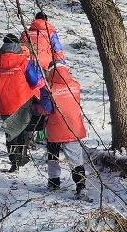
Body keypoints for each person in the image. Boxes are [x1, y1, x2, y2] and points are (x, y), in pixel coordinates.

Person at [0, 34, 42, 171]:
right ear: (17, 45)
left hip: (4, 104)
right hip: (23, 102)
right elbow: (34, 81)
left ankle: (14, 162)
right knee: (22, 130)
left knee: (11, 133)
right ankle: (22, 156)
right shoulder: (23, 61)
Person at [38, 58, 89, 192]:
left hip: (55, 128)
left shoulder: (48, 87)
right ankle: (81, 185)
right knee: (76, 159)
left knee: (53, 156)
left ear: (50, 71)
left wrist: (35, 109)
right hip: (74, 127)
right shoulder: (75, 85)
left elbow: (46, 109)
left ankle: (54, 183)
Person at [25, 10, 63, 74]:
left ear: (35, 19)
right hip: (46, 64)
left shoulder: (26, 33)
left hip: (30, 63)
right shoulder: (51, 33)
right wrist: (60, 63)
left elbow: (21, 48)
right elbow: (57, 49)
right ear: (46, 20)